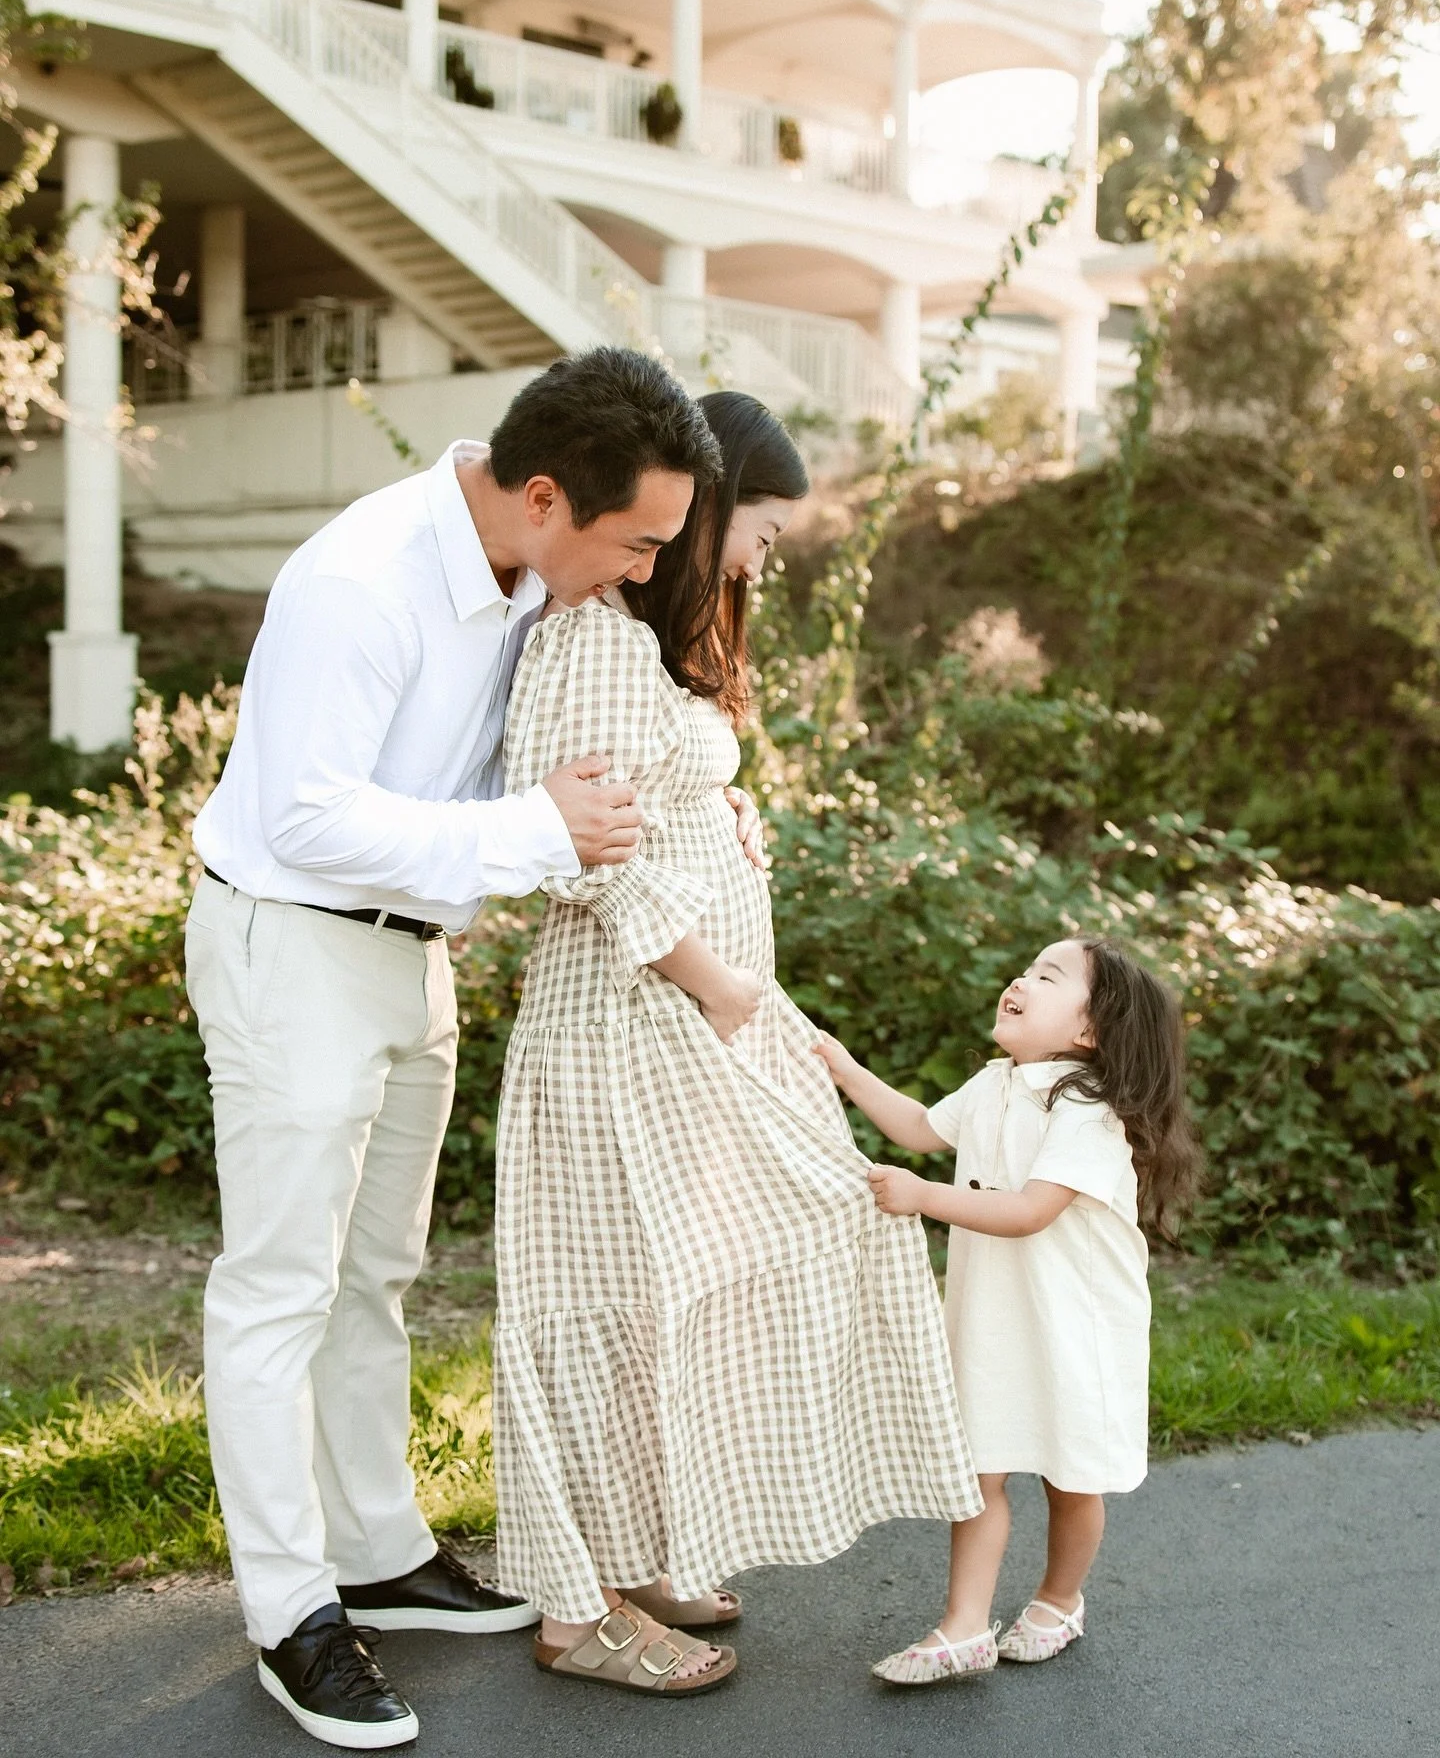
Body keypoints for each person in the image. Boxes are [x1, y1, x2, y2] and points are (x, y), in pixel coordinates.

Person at [185, 349, 733, 1748]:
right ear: (544, 496)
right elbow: (307, 814)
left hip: (408, 956)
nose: (636, 570)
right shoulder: (359, 578)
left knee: (376, 1272)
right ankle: (290, 1612)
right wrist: (530, 833)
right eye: (634, 542)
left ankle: (376, 1549)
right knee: (279, 1289)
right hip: (290, 942)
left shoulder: (526, 581)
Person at [492, 390, 981, 1698]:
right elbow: (578, 852)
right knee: (610, 1305)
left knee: (671, 1300)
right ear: (705, 511)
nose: (768, 559)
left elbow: (655, 791)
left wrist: (727, 807)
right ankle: (573, 1608)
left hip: (679, 1028)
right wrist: (714, 981)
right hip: (629, 1025)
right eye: (761, 528)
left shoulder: (646, 652)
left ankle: (638, 1554)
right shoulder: (591, 637)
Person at [815, 936, 1200, 1686]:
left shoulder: (1087, 1110)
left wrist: (924, 1198)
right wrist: (846, 1071)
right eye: (1025, 969)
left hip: (1074, 1328)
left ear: (1089, 1031)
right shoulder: (994, 1084)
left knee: (1069, 1477)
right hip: (997, 1321)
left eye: (1048, 976)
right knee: (980, 1471)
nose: (1019, 981)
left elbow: (1030, 1211)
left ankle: (1060, 1600)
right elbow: (921, 1130)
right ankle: (964, 1626)